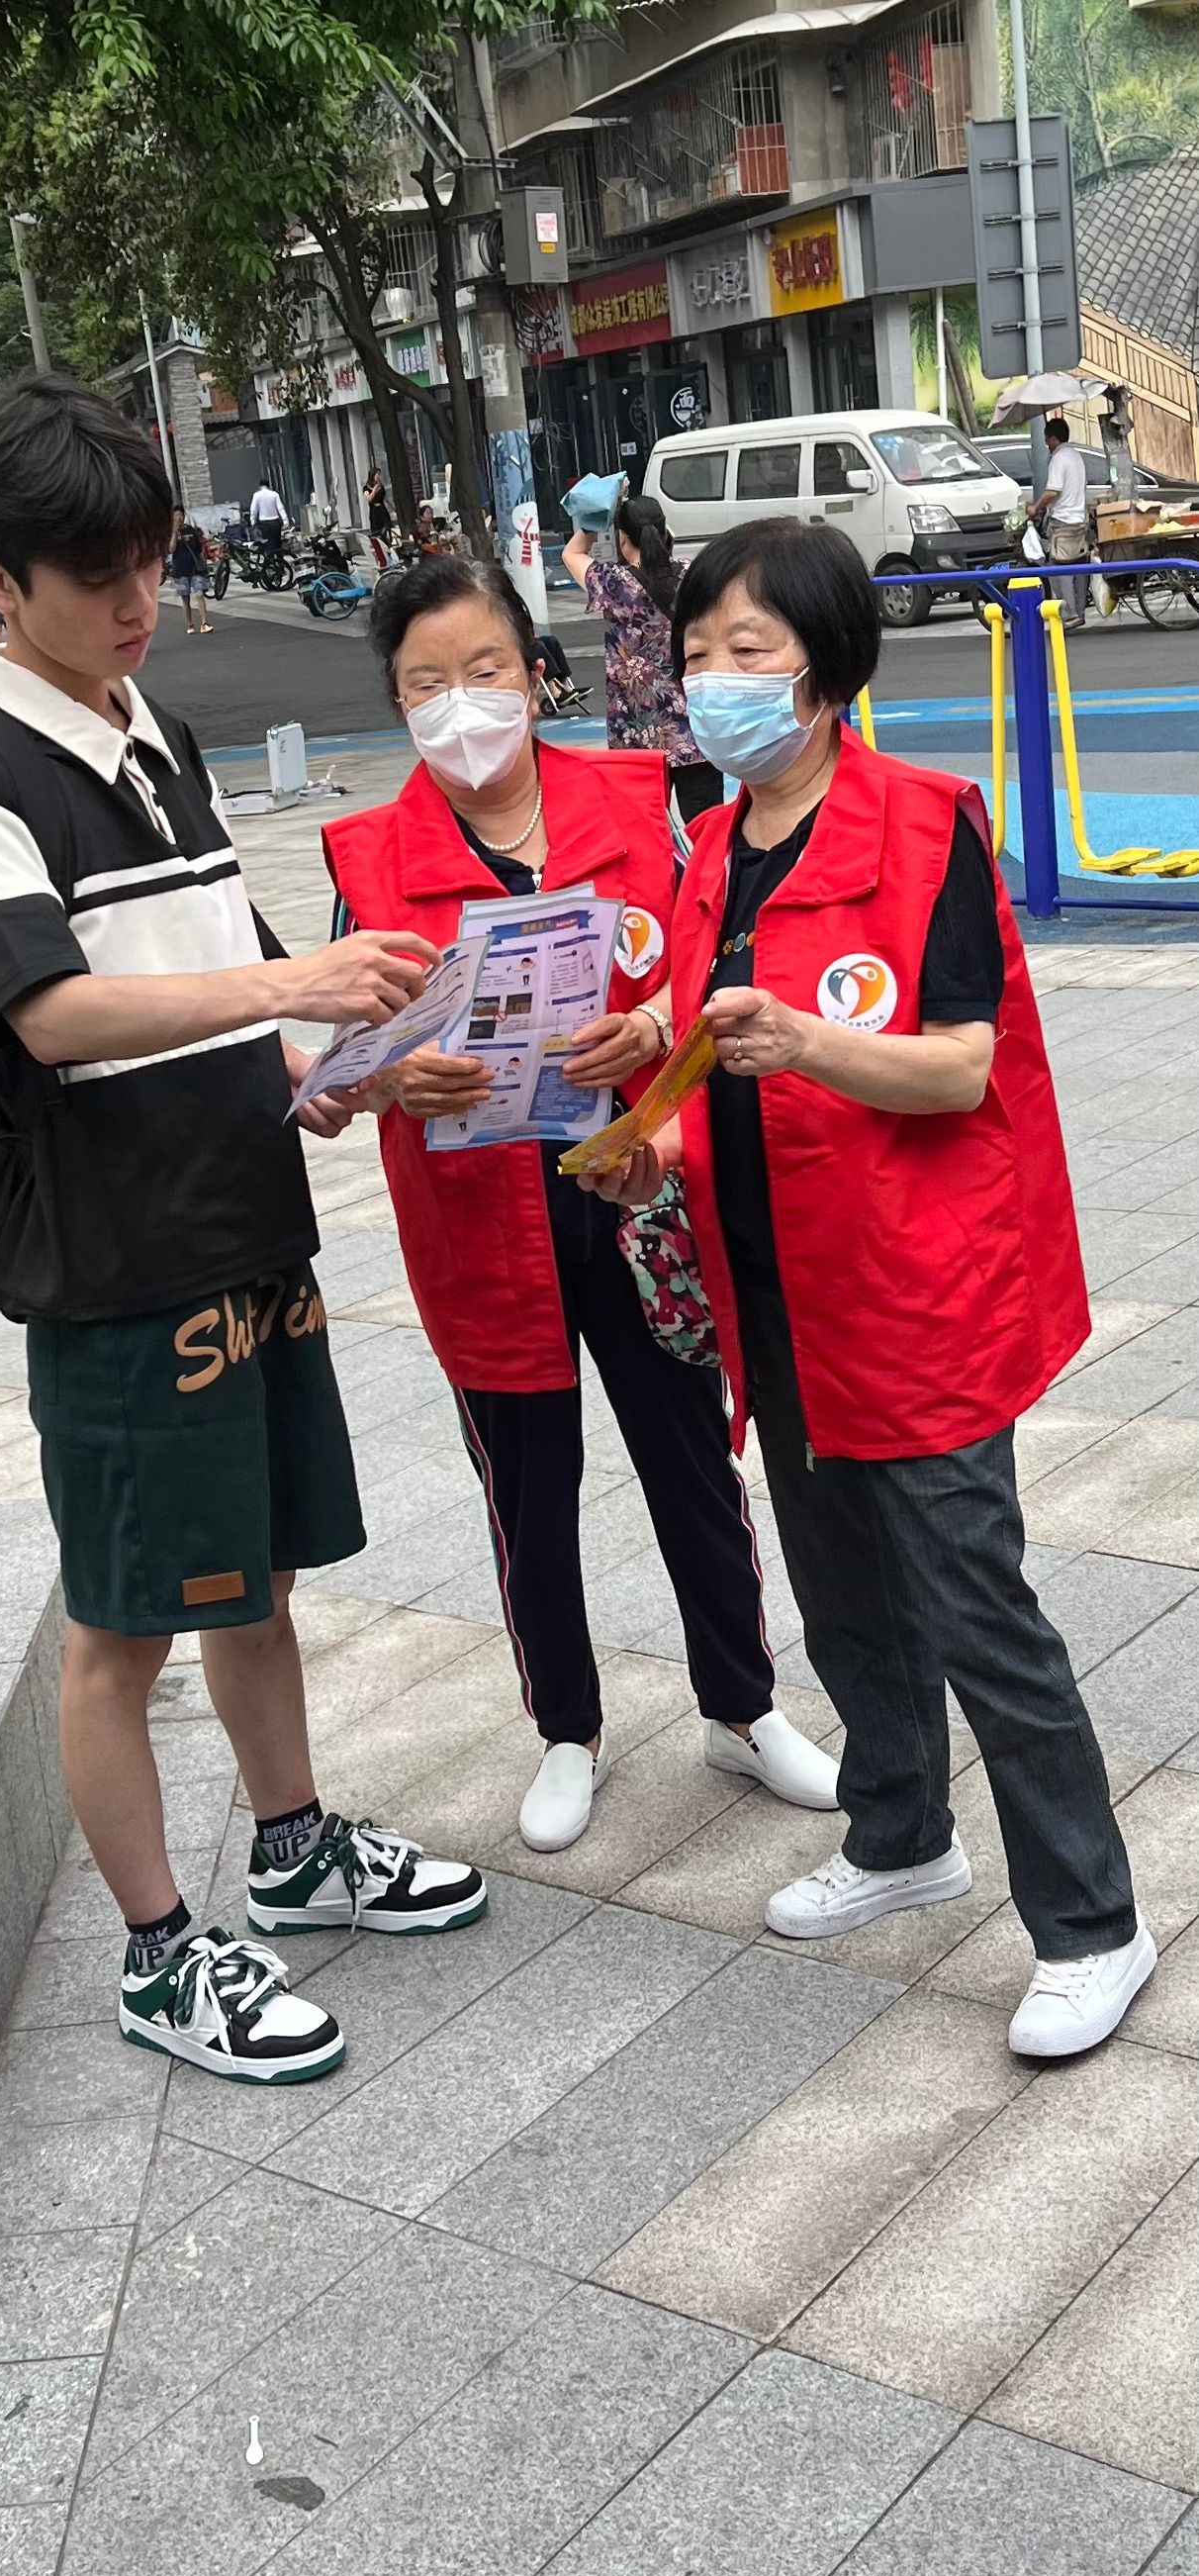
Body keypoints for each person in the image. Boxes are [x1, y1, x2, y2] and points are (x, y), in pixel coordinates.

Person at [0, 373, 486, 2085]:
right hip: (115, 1269)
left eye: (154, 561)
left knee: (256, 1572)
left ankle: (292, 1847)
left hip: (243, 1224)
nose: (139, 602)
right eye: (98, 576)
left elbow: (201, 977)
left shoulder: (145, 730)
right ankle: (162, 1956)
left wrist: (334, 1067)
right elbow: (51, 1014)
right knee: (122, 1623)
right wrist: (293, 988)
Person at [586, 518, 1151, 2058]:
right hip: (774, 1289)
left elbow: (959, 1064)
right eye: (696, 653)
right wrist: (648, 1131)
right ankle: (900, 1835)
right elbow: (710, 1060)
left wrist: (806, 1043)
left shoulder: (922, 826)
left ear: (827, 667)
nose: (713, 678)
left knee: (976, 1608)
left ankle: (1092, 1923)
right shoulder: (713, 849)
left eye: (747, 650)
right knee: (840, 1588)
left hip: (915, 1293)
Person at [323, 553, 837, 1851]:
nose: (460, 704)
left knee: (691, 1461)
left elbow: (712, 955)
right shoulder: (368, 857)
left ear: (532, 669)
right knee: (526, 1488)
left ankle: (742, 1705)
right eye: (425, 684)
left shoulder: (635, 798)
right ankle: (567, 1728)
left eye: (483, 669)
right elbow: (344, 1054)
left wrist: (651, 1023)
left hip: (635, 1192)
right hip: (479, 1220)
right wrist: (393, 1077)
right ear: (396, 701)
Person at [562, 493, 721, 824]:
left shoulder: (612, 582)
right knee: (707, 831)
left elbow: (572, 553)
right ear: (665, 533)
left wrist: (595, 518)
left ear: (623, 539)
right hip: (696, 730)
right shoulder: (693, 577)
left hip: (635, 738)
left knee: (644, 832)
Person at [1029, 419, 1090, 629]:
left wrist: (1035, 507)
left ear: (1053, 438)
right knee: (1079, 565)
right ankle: (1080, 612)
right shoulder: (1075, 455)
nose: (1046, 444)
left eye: (1047, 439)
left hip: (1063, 522)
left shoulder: (1058, 458)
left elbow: (1052, 492)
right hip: (1079, 520)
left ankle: (1070, 614)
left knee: (1060, 566)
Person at [168, 508, 212, 635]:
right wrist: (174, 534)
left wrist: (203, 561)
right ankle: (190, 624)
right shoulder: (170, 532)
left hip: (194, 568)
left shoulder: (190, 530)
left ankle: (204, 623)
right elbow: (171, 550)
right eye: (176, 515)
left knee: (199, 594)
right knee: (185, 598)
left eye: (181, 515)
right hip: (180, 569)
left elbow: (198, 548)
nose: (179, 518)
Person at [249, 478, 289, 557]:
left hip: (264, 523)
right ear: (268, 485)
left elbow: (253, 509)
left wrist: (253, 521)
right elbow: (280, 508)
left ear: (260, 486)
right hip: (275, 523)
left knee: (267, 544)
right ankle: (279, 560)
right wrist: (285, 520)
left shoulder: (257, 495)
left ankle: (269, 560)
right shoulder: (274, 494)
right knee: (277, 543)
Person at [364, 465, 393, 568]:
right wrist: (375, 490)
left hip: (382, 510)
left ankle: (389, 554)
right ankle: (379, 557)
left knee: (386, 531)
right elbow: (369, 499)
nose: (379, 477)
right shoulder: (366, 487)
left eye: (380, 475)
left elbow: (385, 499)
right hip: (374, 512)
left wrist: (392, 508)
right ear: (372, 475)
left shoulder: (381, 486)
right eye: (377, 475)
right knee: (377, 534)